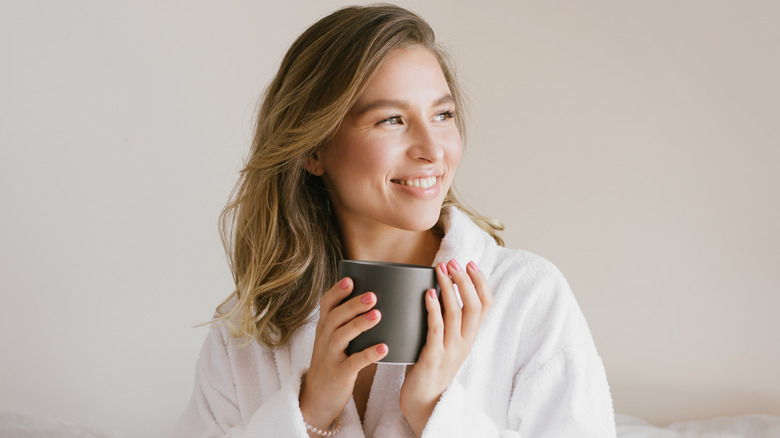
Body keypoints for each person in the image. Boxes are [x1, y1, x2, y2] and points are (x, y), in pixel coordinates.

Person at [173, 4, 616, 437]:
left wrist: (433, 408)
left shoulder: (528, 298)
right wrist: (310, 411)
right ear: (312, 150)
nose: (432, 148)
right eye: (391, 120)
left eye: (443, 115)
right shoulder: (250, 330)